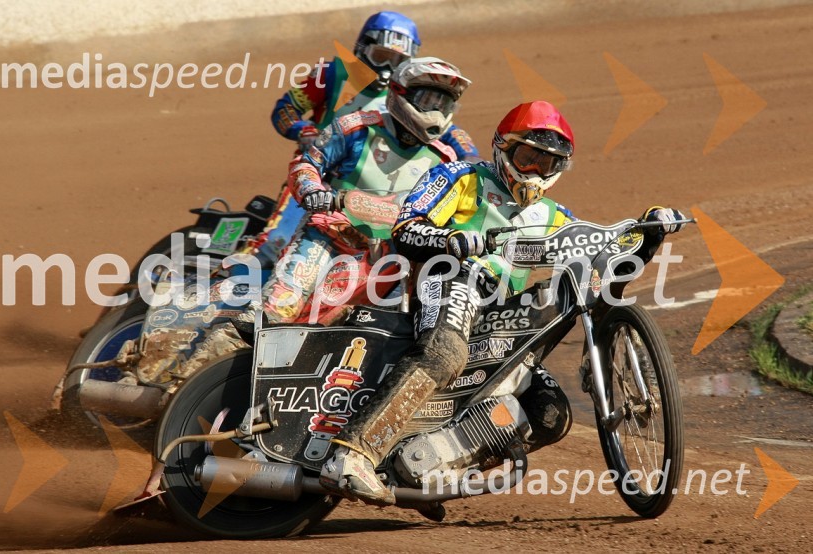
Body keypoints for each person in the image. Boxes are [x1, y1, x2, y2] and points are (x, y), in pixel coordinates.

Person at [319, 100, 686, 505]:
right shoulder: (460, 176)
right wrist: (450, 240)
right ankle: (352, 455)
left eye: (548, 164)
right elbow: (407, 228)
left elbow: (604, 270)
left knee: (550, 413)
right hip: (449, 277)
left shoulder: (554, 214)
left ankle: (425, 471)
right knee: (444, 353)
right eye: (527, 156)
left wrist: (648, 233)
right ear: (502, 147)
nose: (534, 171)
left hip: (499, 314)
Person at [262, 56, 474, 323]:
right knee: (277, 309)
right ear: (400, 92)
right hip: (329, 235)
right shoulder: (357, 127)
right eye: (428, 100)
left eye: (443, 103)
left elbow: (458, 211)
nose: (434, 111)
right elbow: (308, 163)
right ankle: (229, 344)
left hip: (388, 259)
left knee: (384, 329)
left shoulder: (444, 160)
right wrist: (312, 190)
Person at [270, 10, 478, 159]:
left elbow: (444, 127)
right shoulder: (330, 74)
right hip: (319, 166)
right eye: (380, 56)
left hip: (380, 177)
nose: (387, 67)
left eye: (398, 61)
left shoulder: (411, 88)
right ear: (362, 48)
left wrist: (469, 155)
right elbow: (286, 109)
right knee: (283, 222)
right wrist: (305, 131)